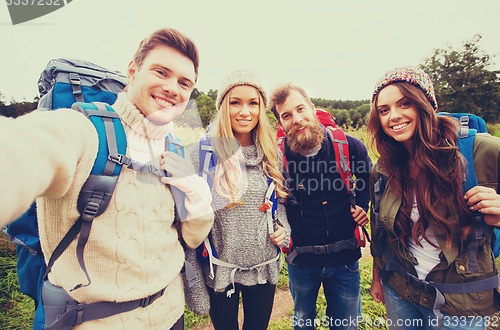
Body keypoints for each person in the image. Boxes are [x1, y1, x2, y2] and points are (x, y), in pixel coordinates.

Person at [0, 28, 214, 329]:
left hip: (170, 315)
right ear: (133, 71)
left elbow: (189, 237)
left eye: (184, 82)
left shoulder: (174, 149)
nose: (172, 88)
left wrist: (198, 194)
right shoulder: (85, 130)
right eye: (161, 72)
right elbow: (26, 150)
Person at [368, 66, 500, 329]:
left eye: (404, 103)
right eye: (384, 110)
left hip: (460, 304)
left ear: (425, 104)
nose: (394, 116)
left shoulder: (481, 150)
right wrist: (376, 278)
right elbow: (380, 230)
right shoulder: (383, 168)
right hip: (400, 291)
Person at [181, 70, 290, 330]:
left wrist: (283, 229)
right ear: (222, 107)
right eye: (235, 102)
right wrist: (193, 283)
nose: (245, 111)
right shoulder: (201, 155)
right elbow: (186, 222)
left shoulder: (271, 154)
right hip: (219, 273)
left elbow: (279, 203)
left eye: (253, 103)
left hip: (264, 270)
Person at [268, 84, 372, 330]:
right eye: (287, 115)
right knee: (303, 322)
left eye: (300, 109)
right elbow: (272, 199)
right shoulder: (276, 157)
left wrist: (362, 205)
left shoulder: (349, 146)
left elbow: (367, 177)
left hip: (344, 258)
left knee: (346, 325)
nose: (297, 119)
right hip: (301, 262)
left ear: (312, 109)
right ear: (281, 124)